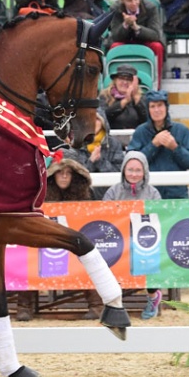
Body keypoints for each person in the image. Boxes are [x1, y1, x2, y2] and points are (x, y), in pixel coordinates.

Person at [16, 152, 100, 321]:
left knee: (88, 260)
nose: (64, 176)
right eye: (60, 172)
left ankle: (97, 306)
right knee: (31, 259)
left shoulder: (87, 196)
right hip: (47, 242)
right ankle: (24, 307)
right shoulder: (40, 196)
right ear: (53, 175)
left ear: (74, 176)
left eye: (68, 173)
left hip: (75, 243)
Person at [103, 151, 163, 319]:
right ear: (123, 170)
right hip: (119, 240)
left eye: (138, 170)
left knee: (153, 257)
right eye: (130, 170)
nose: (134, 174)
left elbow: (159, 217)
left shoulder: (153, 193)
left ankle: (153, 297)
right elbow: (105, 215)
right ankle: (113, 304)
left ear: (145, 172)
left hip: (144, 240)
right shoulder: (113, 191)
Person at [127, 89, 189, 199]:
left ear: (166, 107)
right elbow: (132, 163)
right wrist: (153, 145)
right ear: (148, 109)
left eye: (160, 105)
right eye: (152, 106)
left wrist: (175, 147)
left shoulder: (182, 130)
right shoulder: (140, 132)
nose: (157, 110)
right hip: (147, 193)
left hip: (177, 194)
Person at [108, 0, 165, 79]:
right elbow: (115, 36)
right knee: (114, 46)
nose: (134, 3)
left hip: (145, 39)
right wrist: (125, 24)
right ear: (123, 1)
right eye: (129, 0)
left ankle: (156, 82)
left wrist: (136, 27)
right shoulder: (115, 9)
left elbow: (155, 35)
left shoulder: (150, 7)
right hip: (125, 40)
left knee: (157, 46)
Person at [68, 108, 124, 200]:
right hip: (83, 196)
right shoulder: (76, 144)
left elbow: (119, 172)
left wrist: (100, 161)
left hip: (110, 195)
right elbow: (75, 176)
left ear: (103, 122)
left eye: (96, 119)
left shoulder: (113, 143)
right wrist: (91, 161)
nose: (93, 122)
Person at [98, 64, 147, 133]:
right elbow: (103, 118)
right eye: (121, 78)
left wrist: (136, 99)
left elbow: (147, 121)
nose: (125, 82)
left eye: (129, 79)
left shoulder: (142, 98)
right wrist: (125, 101)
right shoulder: (105, 96)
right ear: (115, 80)